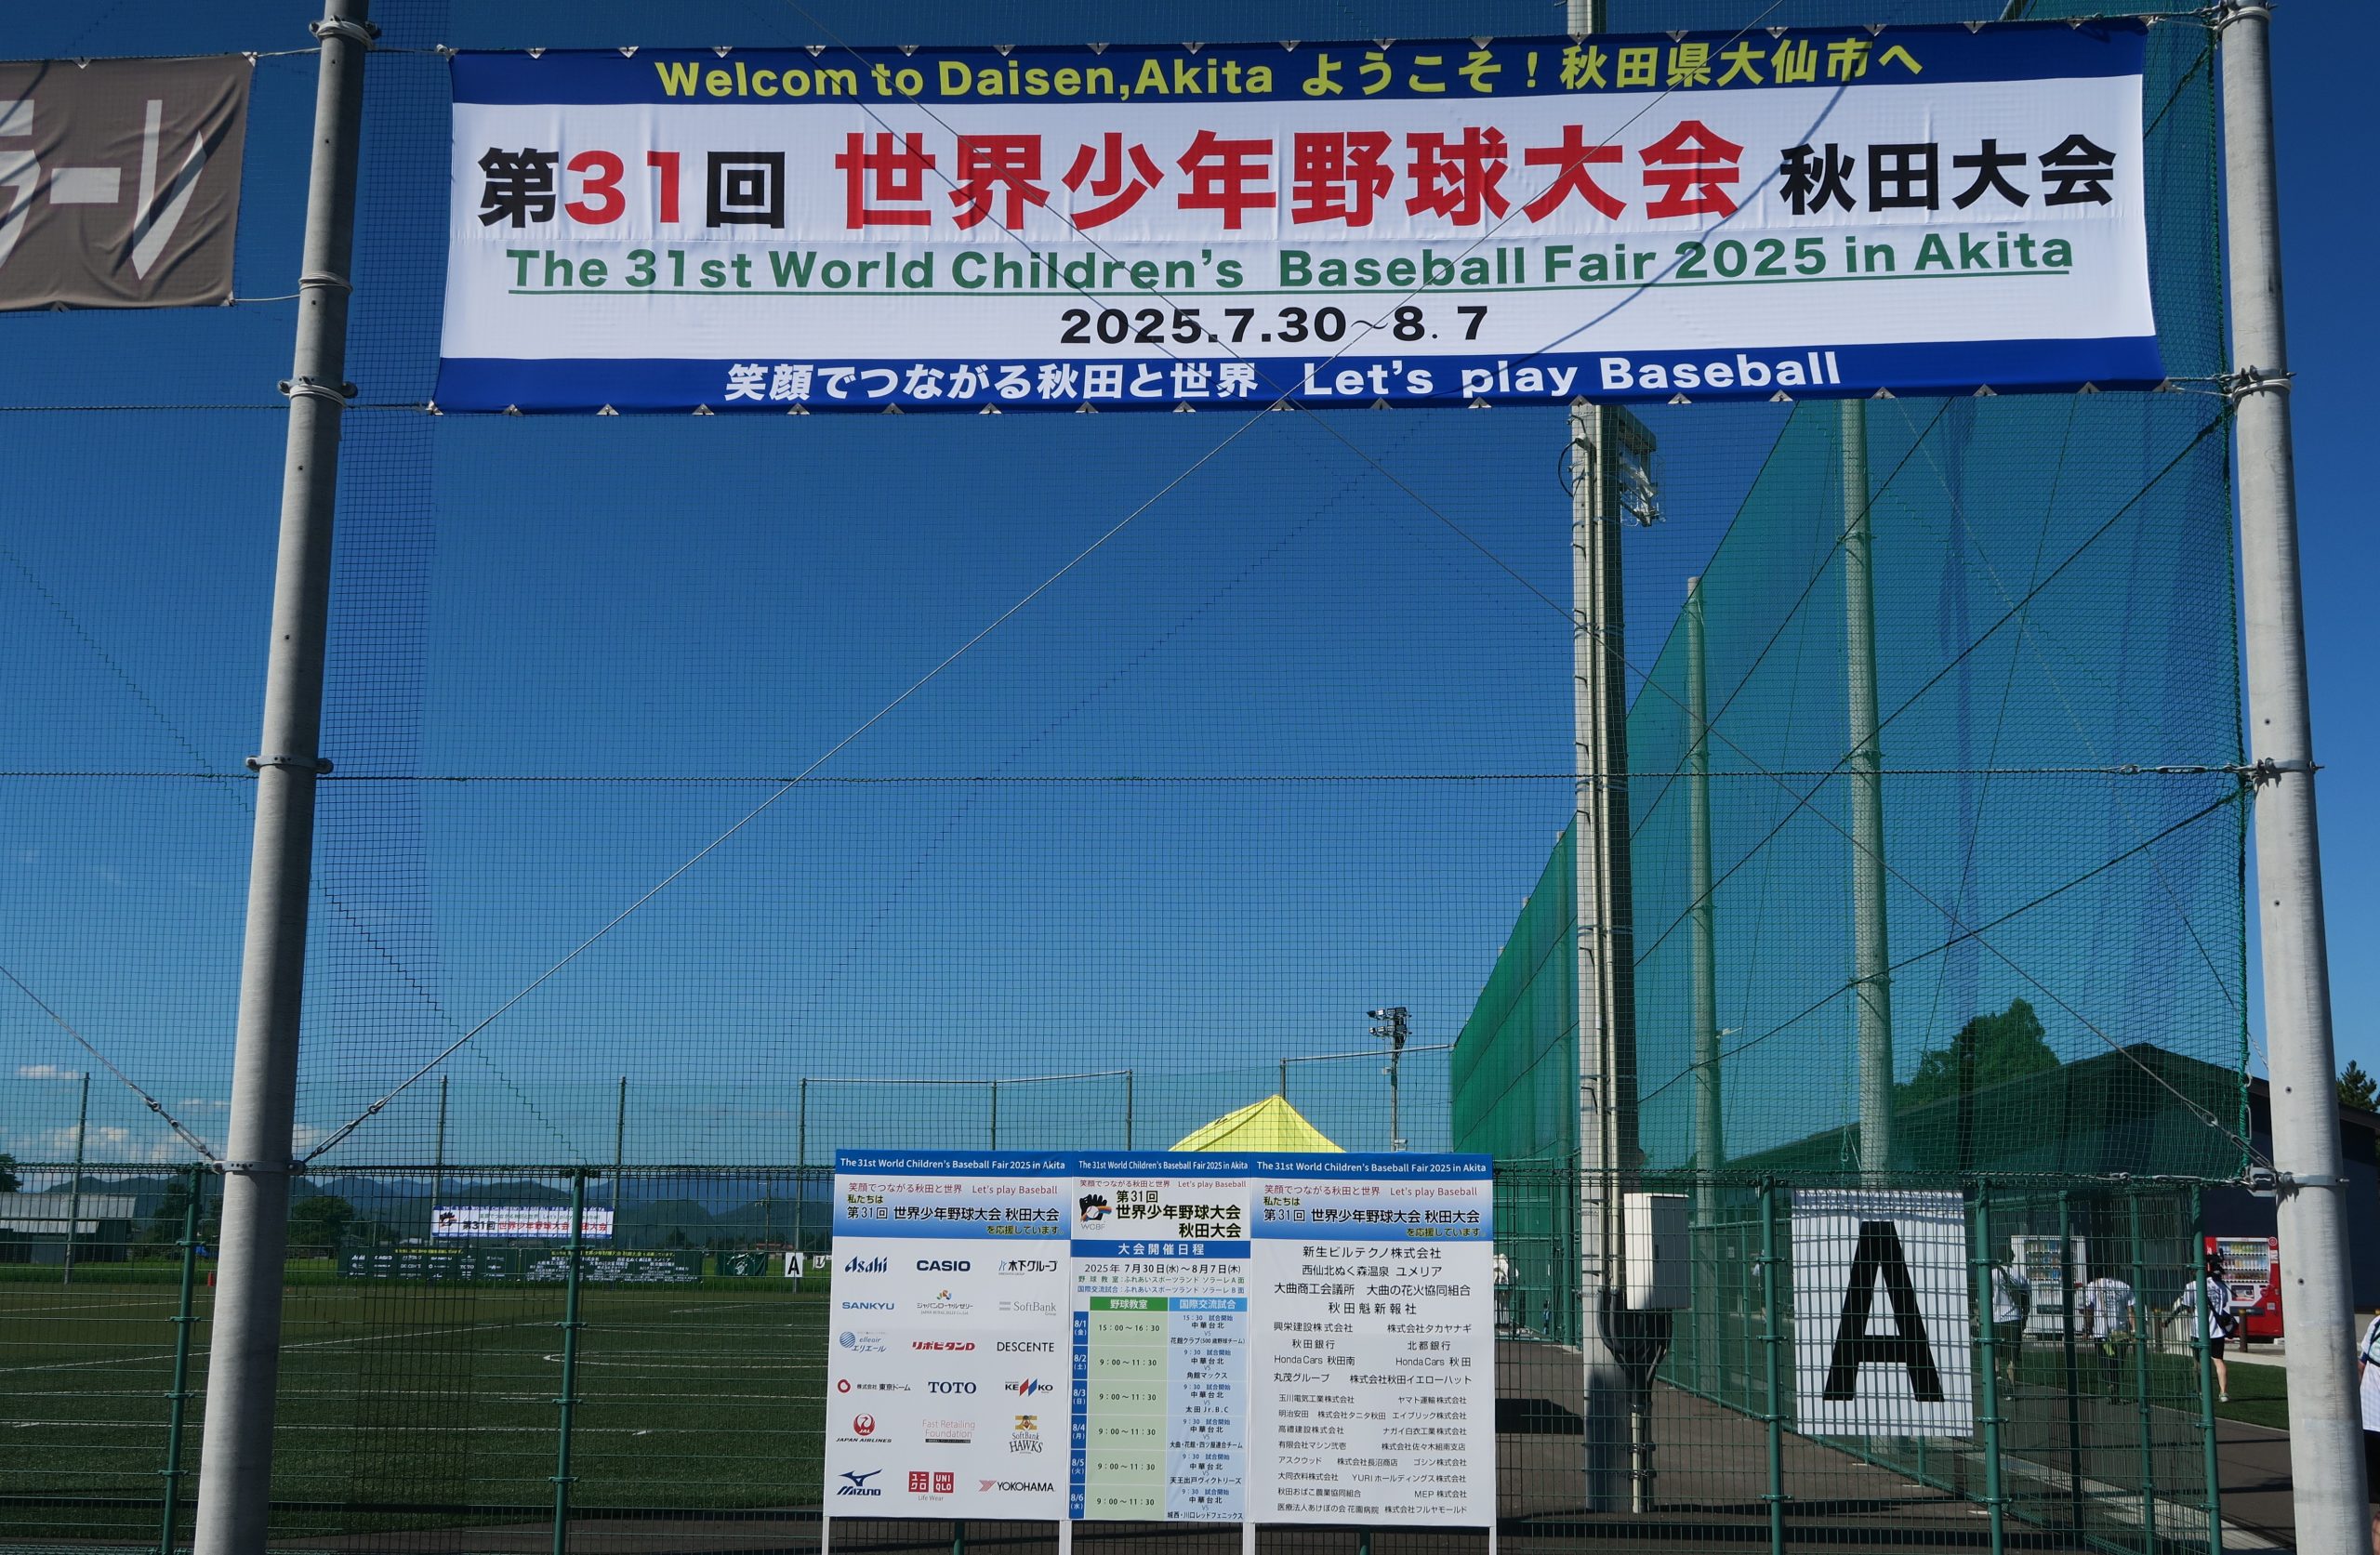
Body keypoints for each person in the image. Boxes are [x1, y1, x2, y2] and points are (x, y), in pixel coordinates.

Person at [2171, 1251, 2236, 1403]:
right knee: (2219, 1360)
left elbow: (2186, 1305)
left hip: (2198, 1330)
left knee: (2197, 1362)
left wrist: (2170, 1318)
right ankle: (2223, 1393)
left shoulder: (2192, 1286)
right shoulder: (2220, 1285)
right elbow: (2224, 1304)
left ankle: (2200, 1391)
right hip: (2218, 1330)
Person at [2075, 1272, 2136, 1400]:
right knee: (2119, 1362)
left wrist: (2087, 1329)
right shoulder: (2124, 1286)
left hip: (2102, 1332)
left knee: (2105, 1359)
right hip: (2120, 1332)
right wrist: (2134, 1330)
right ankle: (2115, 1389)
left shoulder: (2093, 1286)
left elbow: (2089, 1310)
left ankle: (2110, 1383)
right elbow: (2131, 1311)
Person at [1988, 1258, 2030, 1390]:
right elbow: (2026, 1296)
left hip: (1996, 1318)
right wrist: (2024, 1319)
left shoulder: (1992, 1274)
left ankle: (1997, 1377)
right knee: (2012, 1357)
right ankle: (2011, 1387)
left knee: (1995, 1354)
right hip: (2014, 1317)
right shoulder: (2016, 1274)